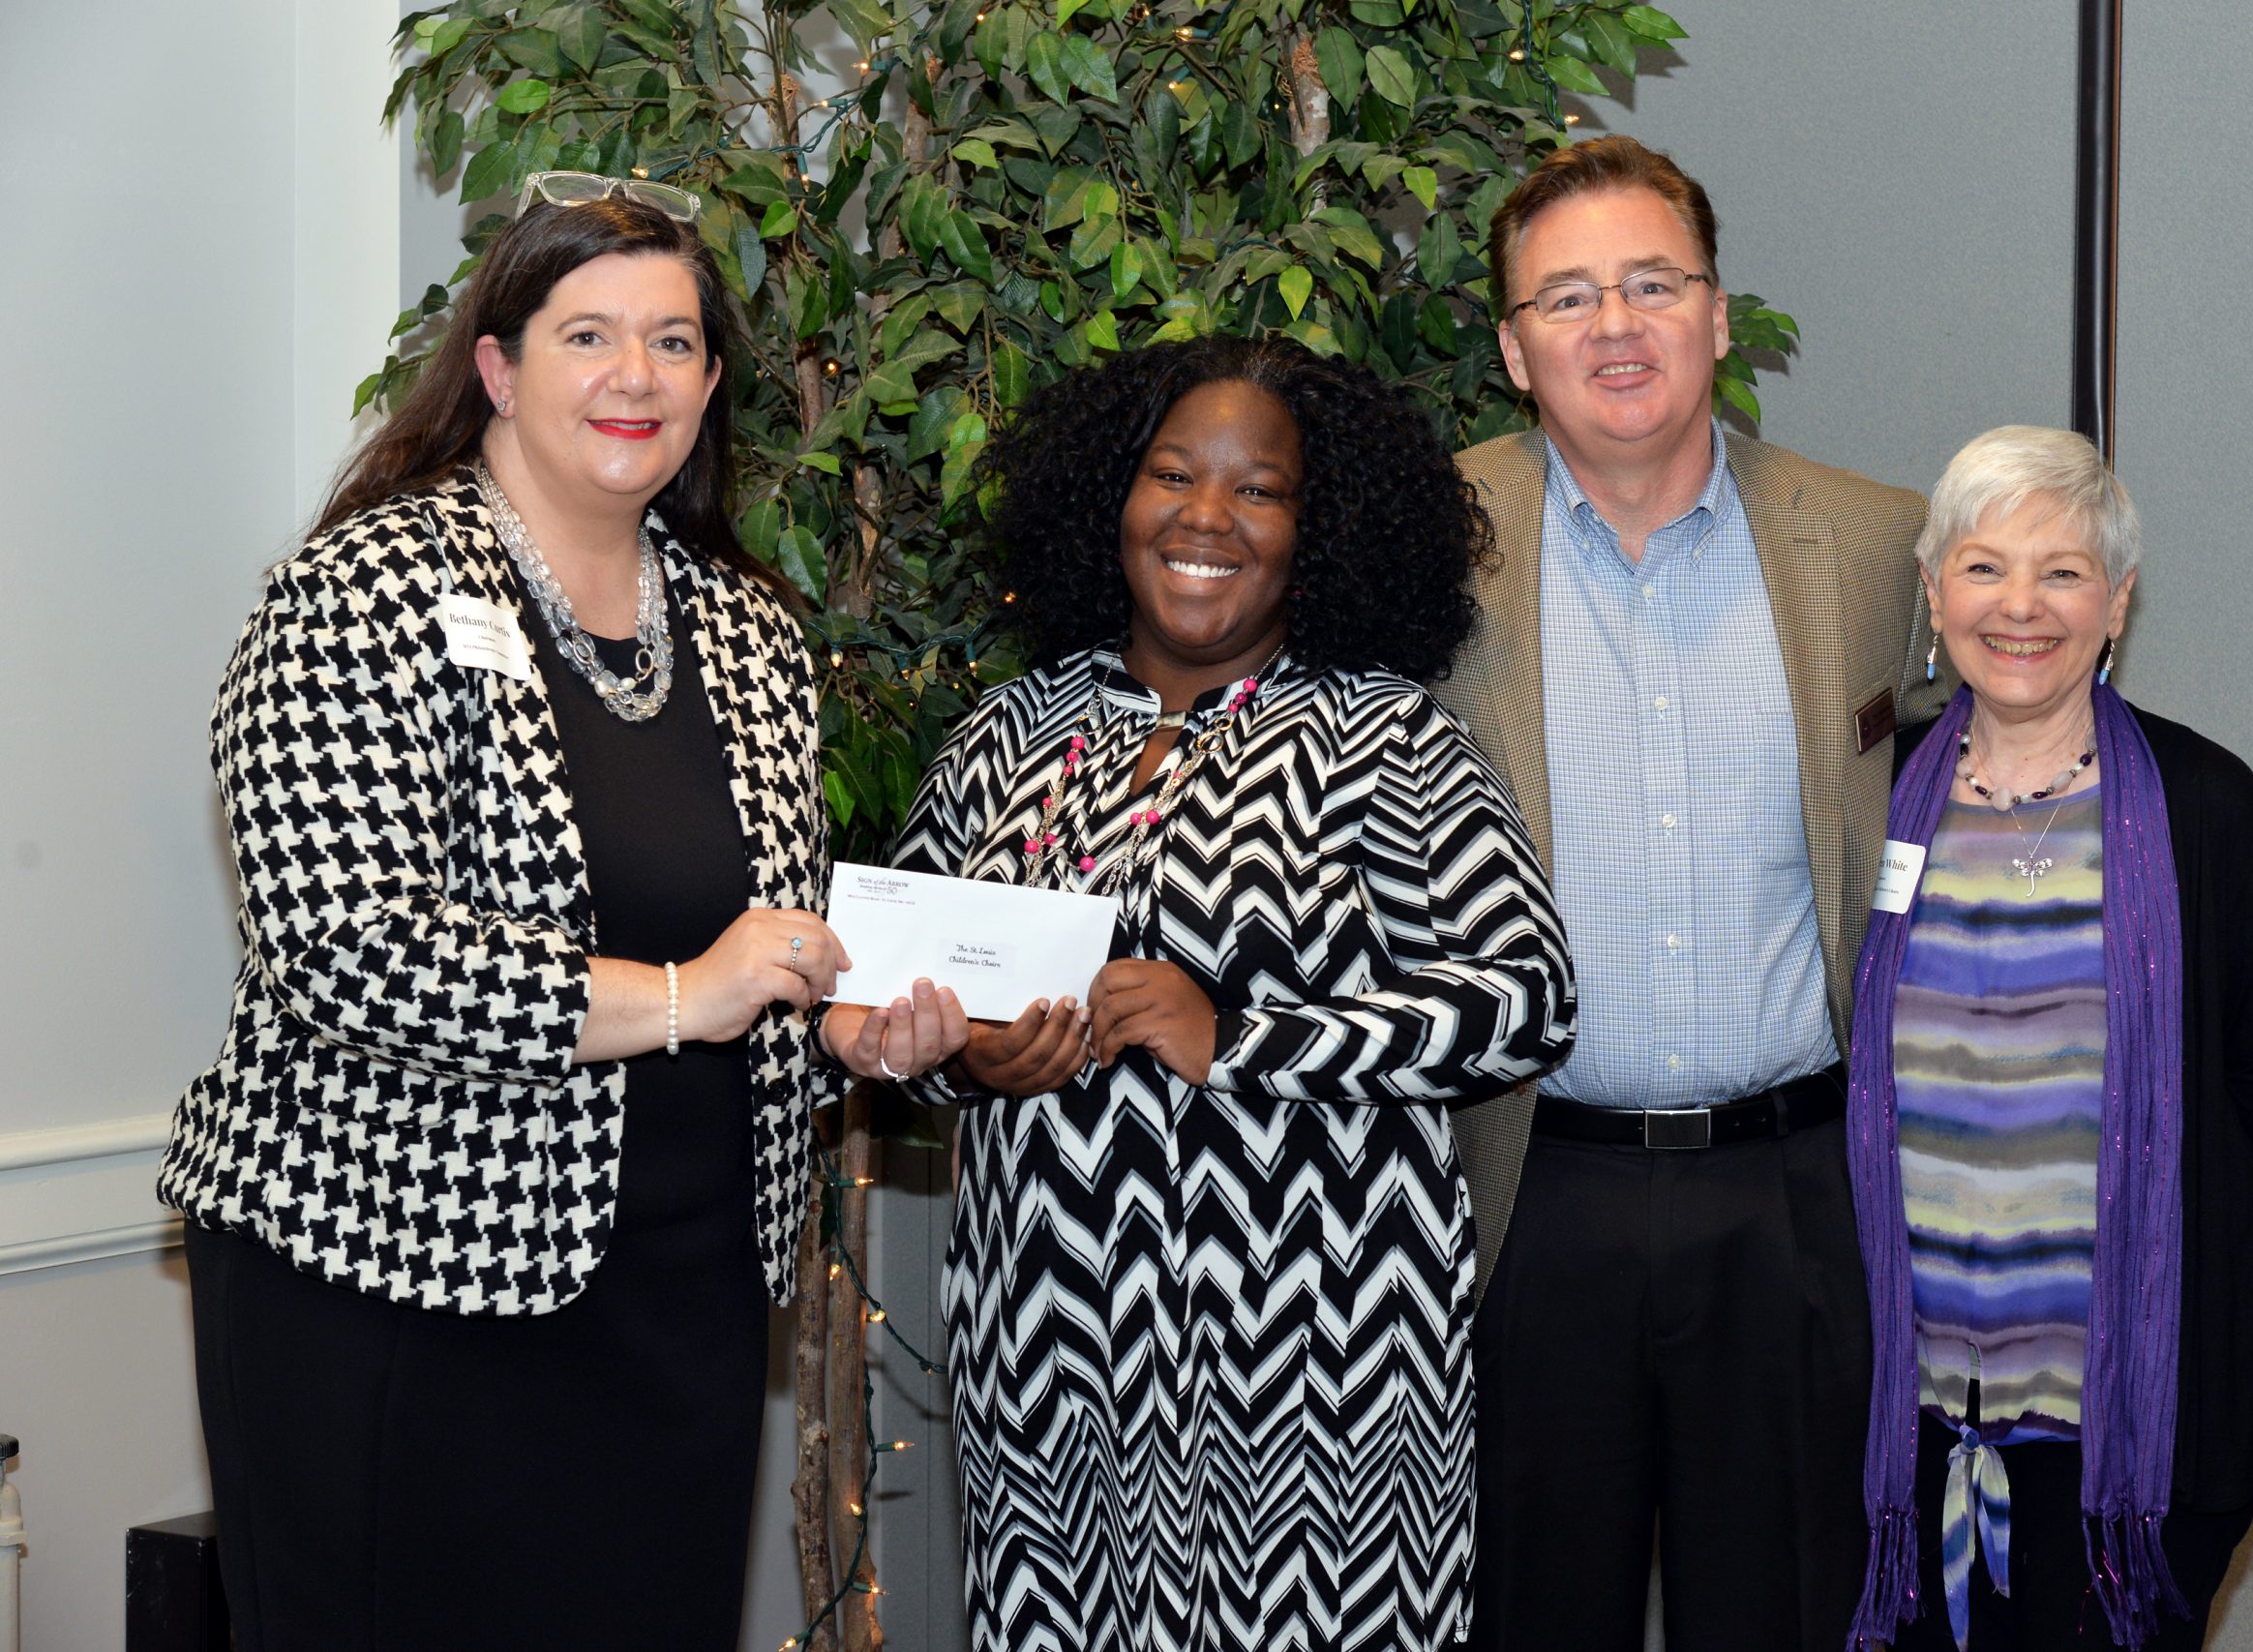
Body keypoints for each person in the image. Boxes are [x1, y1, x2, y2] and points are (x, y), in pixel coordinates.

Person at [158, 173, 966, 1652]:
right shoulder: (361, 593)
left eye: (674, 342)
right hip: (398, 1272)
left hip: (680, 1299)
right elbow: (347, 947)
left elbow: (758, 947)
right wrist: (685, 993)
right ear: (497, 366)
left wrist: (844, 1027)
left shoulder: (746, 626)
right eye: (588, 334)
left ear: (710, 387)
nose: (634, 375)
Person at [890, 335, 1576, 1651]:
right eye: (1171, 475)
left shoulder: (1384, 738)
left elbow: (1524, 997)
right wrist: (965, 1058)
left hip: (1320, 1369)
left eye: (1259, 490)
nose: (1206, 517)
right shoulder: (1005, 736)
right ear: (1112, 499)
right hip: (1050, 1360)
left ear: (1318, 533)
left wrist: (1242, 1036)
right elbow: (899, 991)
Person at [1431, 135, 1944, 1651]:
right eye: (1567, 296)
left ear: (1718, 315)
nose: (1615, 324)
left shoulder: (1878, 543)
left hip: (1793, 1197)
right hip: (1524, 1189)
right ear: (1515, 348)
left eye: (1653, 283)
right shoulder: (1424, 543)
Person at [1843, 426, 2253, 1651]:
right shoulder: (1863, 797)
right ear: (1932, 592)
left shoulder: (2204, 804)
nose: (2019, 606)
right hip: (1896, 1412)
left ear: (2116, 602)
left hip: (2142, 1420)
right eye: (1983, 567)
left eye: (2062, 572)